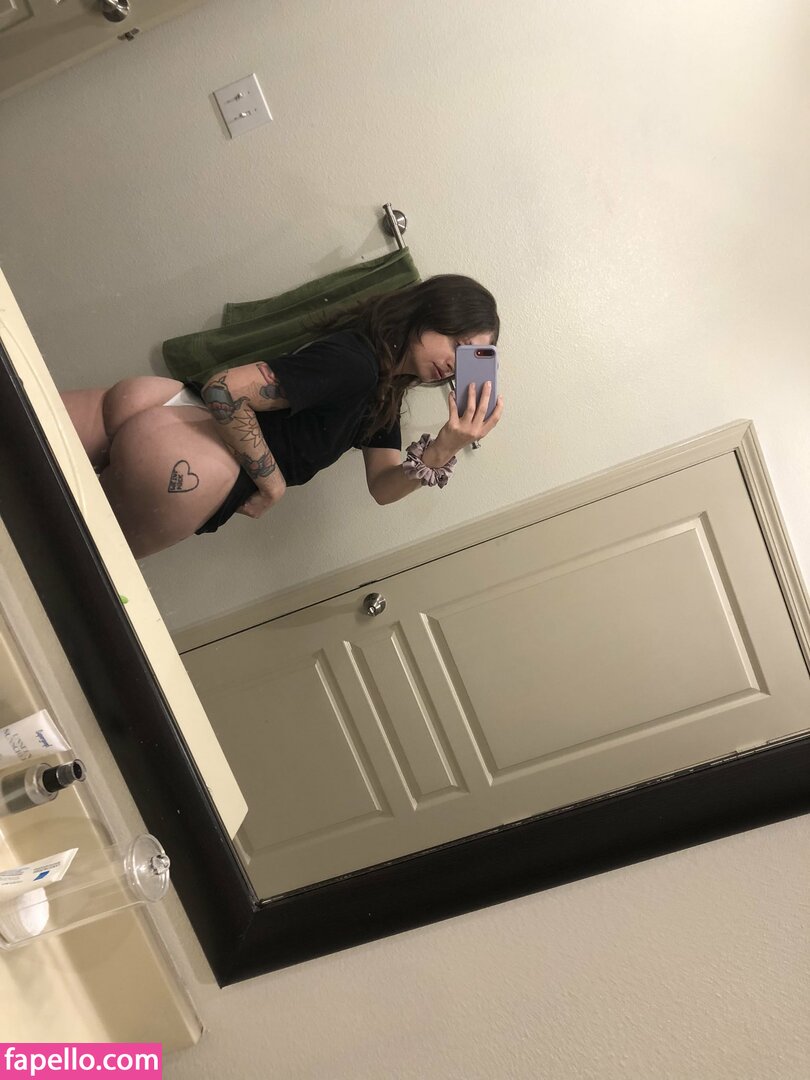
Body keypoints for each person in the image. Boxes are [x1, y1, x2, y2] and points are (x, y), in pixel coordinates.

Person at [60, 274, 504, 558]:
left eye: (469, 360)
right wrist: (271, 483)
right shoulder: (359, 364)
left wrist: (443, 449)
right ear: (428, 313)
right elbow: (224, 389)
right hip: (195, 464)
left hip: (159, 403)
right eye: (457, 344)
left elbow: (383, 488)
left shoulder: (380, 391)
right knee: (61, 565)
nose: (454, 365)